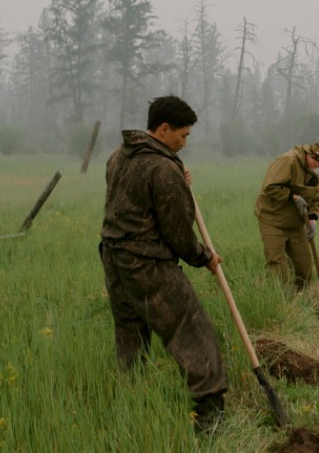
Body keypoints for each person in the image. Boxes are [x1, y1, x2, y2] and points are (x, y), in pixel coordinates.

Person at [99, 95, 227, 431]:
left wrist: (176, 184)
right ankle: (210, 412)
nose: (184, 143)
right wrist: (205, 257)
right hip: (148, 263)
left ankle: (132, 405)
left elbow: (135, 199)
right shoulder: (162, 167)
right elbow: (179, 234)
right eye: (182, 136)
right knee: (191, 328)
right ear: (164, 128)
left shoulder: (118, 155)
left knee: (130, 334)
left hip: (113, 259)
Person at [254, 142, 319, 290]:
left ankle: (298, 300)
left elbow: (315, 197)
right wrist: (293, 197)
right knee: (277, 270)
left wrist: (313, 219)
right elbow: (270, 187)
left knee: (305, 269)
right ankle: (281, 304)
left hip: (296, 223)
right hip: (272, 220)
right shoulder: (288, 161)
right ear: (311, 155)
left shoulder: (317, 173)